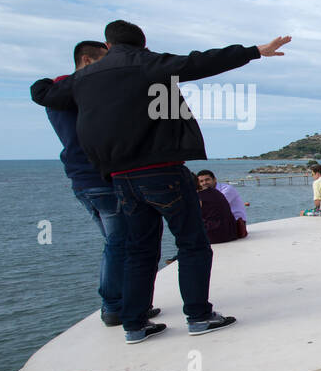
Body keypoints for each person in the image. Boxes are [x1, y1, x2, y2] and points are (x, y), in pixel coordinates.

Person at [31, 19, 291, 343]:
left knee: (138, 251)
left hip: (121, 179)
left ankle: (134, 325)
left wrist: (59, 78)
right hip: (163, 171)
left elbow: (43, 92)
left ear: (108, 45)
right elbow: (200, 62)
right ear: (142, 44)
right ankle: (198, 316)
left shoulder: (83, 78)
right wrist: (255, 51)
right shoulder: (147, 63)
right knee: (192, 244)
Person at [41, 40, 161, 328]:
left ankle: (124, 303)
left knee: (116, 242)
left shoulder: (57, 92)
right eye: (103, 61)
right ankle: (115, 307)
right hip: (100, 176)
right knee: (121, 243)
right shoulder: (80, 89)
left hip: (80, 178)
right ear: (85, 59)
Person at [197, 169, 248, 237]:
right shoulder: (206, 193)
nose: (204, 183)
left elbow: (214, 207)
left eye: (207, 180)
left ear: (214, 179)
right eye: (201, 181)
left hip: (236, 224)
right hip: (220, 223)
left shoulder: (227, 190)